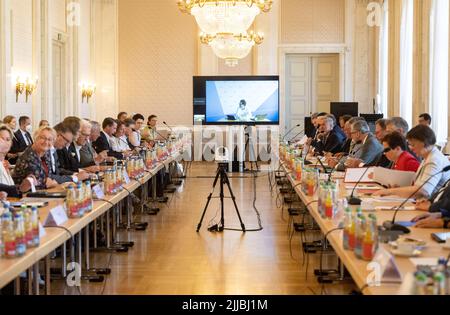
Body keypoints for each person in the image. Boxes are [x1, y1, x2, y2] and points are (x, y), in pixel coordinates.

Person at [373, 125, 450, 199]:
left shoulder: (434, 160)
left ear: (423, 142)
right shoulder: (428, 157)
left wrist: (390, 191)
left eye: (413, 144)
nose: (411, 148)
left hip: (432, 207)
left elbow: (423, 191)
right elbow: (416, 185)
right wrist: (400, 189)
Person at [0, 125, 36, 197]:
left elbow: (9, 190)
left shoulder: (4, 164)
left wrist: (26, 184)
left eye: (8, 139)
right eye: (1, 139)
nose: (4, 142)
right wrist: (20, 188)